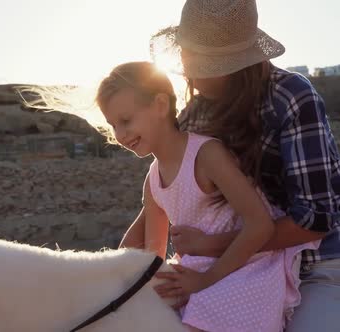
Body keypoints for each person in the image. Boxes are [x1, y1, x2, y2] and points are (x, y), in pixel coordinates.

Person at [138, 0, 340, 330]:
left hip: (316, 266)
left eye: (198, 61)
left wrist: (211, 245)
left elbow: (315, 220)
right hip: (233, 268)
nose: (187, 70)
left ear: (232, 65)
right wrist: (108, 269)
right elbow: (160, 198)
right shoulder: (197, 114)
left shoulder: (291, 97)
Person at [96, 61, 315, 332]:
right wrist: (107, 278)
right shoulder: (153, 178)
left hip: (247, 267)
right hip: (198, 270)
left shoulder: (206, 155)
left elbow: (261, 225)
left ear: (160, 105)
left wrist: (205, 281)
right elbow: (151, 255)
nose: (120, 134)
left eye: (126, 121)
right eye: (113, 125)